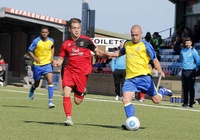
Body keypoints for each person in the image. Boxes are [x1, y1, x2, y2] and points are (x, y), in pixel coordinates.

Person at [107, 25, 172, 130]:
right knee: (125, 99)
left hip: (144, 78)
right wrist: (110, 54)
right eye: (132, 35)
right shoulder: (127, 44)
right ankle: (131, 121)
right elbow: (120, 52)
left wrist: (159, 69)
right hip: (130, 79)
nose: (134, 37)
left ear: (141, 33)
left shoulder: (146, 45)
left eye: (136, 35)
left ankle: (162, 91)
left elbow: (154, 59)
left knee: (156, 100)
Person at [53, 18, 107, 126]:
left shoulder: (86, 40)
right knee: (66, 91)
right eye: (74, 28)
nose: (76, 30)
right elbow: (61, 59)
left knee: (77, 101)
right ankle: (68, 118)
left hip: (82, 73)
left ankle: (83, 91)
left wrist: (106, 54)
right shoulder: (65, 44)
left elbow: (96, 51)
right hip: (69, 71)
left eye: (78, 28)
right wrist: (57, 63)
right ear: (70, 29)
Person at [28, 26, 55, 108]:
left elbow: (52, 47)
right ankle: (32, 89)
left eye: (46, 32)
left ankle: (50, 102)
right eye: (43, 32)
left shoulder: (51, 41)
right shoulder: (36, 41)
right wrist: (35, 58)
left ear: (48, 33)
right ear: (41, 32)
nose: (44, 34)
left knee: (50, 81)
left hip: (47, 64)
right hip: (37, 65)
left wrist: (52, 57)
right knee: (37, 83)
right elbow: (30, 50)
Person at [180, 37, 200, 108]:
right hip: (184, 71)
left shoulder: (193, 51)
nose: (187, 44)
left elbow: (198, 62)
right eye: (186, 43)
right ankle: (185, 102)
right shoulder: (182, 51)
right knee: (184, 87)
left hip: (191, 71)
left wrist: (194, 69)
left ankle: (191, 103)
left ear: (191, 43)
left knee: (190, 88)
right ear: (185, 43)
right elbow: (181, 59)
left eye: (189, 43)